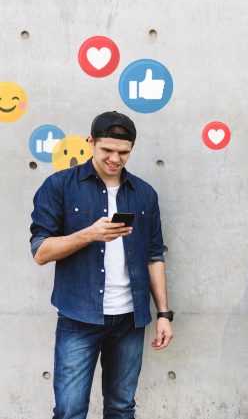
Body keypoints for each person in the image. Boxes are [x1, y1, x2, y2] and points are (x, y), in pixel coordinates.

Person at [30, 110, 174, 419]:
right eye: (107, 150)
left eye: (123, 152)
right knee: (70, 410)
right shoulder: (60, 186)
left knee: (122, 408)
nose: (115, 158)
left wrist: (163, 313)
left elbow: (154, 255)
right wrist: (89, 234)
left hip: (129, 320)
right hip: (78, 315)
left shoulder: (145, 193)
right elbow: (41, 251)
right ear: (90, 142)